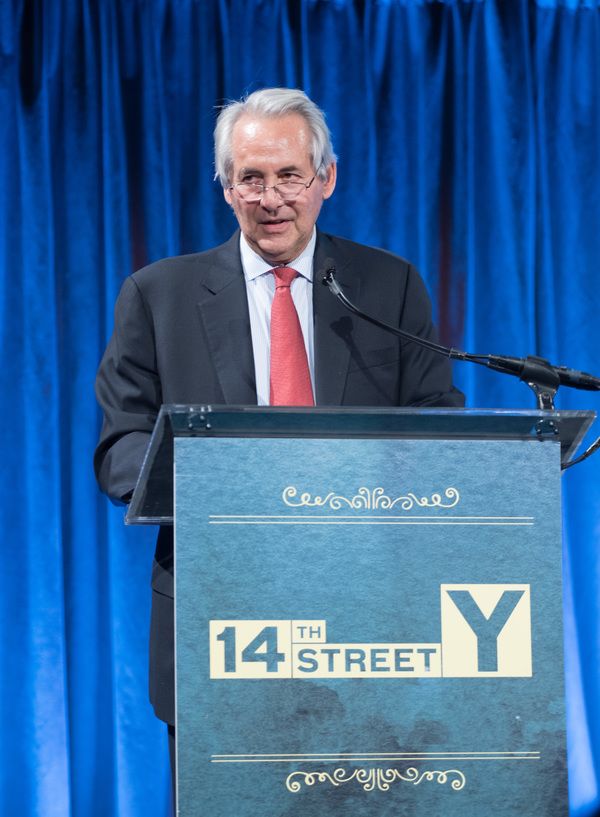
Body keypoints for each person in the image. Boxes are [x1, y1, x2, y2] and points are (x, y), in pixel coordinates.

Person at [94, 86, 464, 754]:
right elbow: (122, 447)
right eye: (251, 179)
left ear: (326, 178)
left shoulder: (387, 286)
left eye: (290, 176)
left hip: (368, 616)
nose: (271, 199)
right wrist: (231, 487)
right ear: (226, 187)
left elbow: (436, 422)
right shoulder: (157, 296)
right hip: (218, 616)